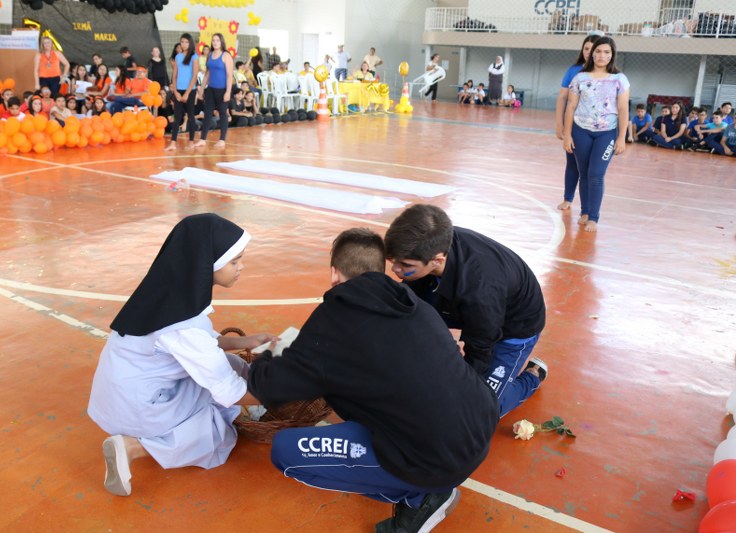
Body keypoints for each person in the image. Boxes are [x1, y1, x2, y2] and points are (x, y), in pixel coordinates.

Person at [248, 228, 498, 533]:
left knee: (285, 450)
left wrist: (265, 356)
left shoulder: (333, 319)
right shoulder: (414, 302)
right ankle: (426, 484)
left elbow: (269, 387)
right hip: (480, 427)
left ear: (334, 273)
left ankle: (421, 497)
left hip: (437, 461)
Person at [87, 214, 276, 497]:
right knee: (215, 433)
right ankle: (133, 447)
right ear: (207, 264)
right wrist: (282, 393)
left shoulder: (165, 294)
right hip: (141, 407)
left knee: (230, 364)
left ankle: (145, 436)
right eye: (234, 262)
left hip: (120, 396)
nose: (241, 267)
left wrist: (245, 341)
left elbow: (200, 342)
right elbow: (229, 390)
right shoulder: (183, 325)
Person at [384, 204, 548, 419]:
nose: (395, 270)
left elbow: (480, 348)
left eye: (405, 265)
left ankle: (532, 377)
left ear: (437, 260)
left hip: (514, 326)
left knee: (481, 412)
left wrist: (465, 390)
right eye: (393, 261)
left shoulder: (479, 289)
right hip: (465, 303)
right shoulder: (432, 241)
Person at [563, 36, 629, 232]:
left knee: (596, 174)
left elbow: (623, 109)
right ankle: (585, 211)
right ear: (592, 54)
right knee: (583, 173)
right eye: (598, 51)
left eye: (606, 52)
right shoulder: (580, 78)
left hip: (606, 134)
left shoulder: (619, 79)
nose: (602, 55)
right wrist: (567, 135)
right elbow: (571, 106)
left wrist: (621, 137)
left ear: (612, 55)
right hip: (580, 131)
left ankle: (594, 216)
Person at [556, 34, 600, 211]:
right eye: (586, 48)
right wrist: (560, 125)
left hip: (598, 128)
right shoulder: (574, 70)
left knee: (591, 169)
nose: (589, 52)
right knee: (573, 163)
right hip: (575, 125)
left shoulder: (609, 74)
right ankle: (568, 198)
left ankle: (588, 210)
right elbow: (562, 98)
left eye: (593, 49)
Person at [197, 32, 234, 150]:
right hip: (211, 90)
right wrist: (201, 89)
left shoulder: (226, 56)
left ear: (221, 42)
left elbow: (229, 76)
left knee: (223, 114)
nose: (215, 42)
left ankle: (222, 140)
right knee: (207, 113)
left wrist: (228, 92)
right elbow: (207, 74)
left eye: (217, 40)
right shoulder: (210, 55)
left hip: (222, 90)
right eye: (213, 40)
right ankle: (202, 139)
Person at [165, 33, 200, 152]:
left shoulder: (194, 56)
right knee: (177, 116)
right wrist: (175, 92)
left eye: (186, 42)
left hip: (190, 90)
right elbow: (174, 76)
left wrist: (187, 93)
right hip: (178, 90)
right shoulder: (178, 57)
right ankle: (173, 143)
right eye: (182, 42)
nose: (184, 44)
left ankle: (191, 142)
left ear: (190, 43)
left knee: (190, 115)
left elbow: (194, 76)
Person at [34, 35, 70, 99]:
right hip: (43, 80)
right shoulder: (38, 55)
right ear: (42, 45)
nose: (47, 44)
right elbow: (36, 70)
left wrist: (64, 77)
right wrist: (37, 83)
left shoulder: (57, 53)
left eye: (48, 42)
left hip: (55, 79)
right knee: (44, 97)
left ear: (51, 43)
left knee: (54, 96)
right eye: (45, 43)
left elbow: (67, 64)